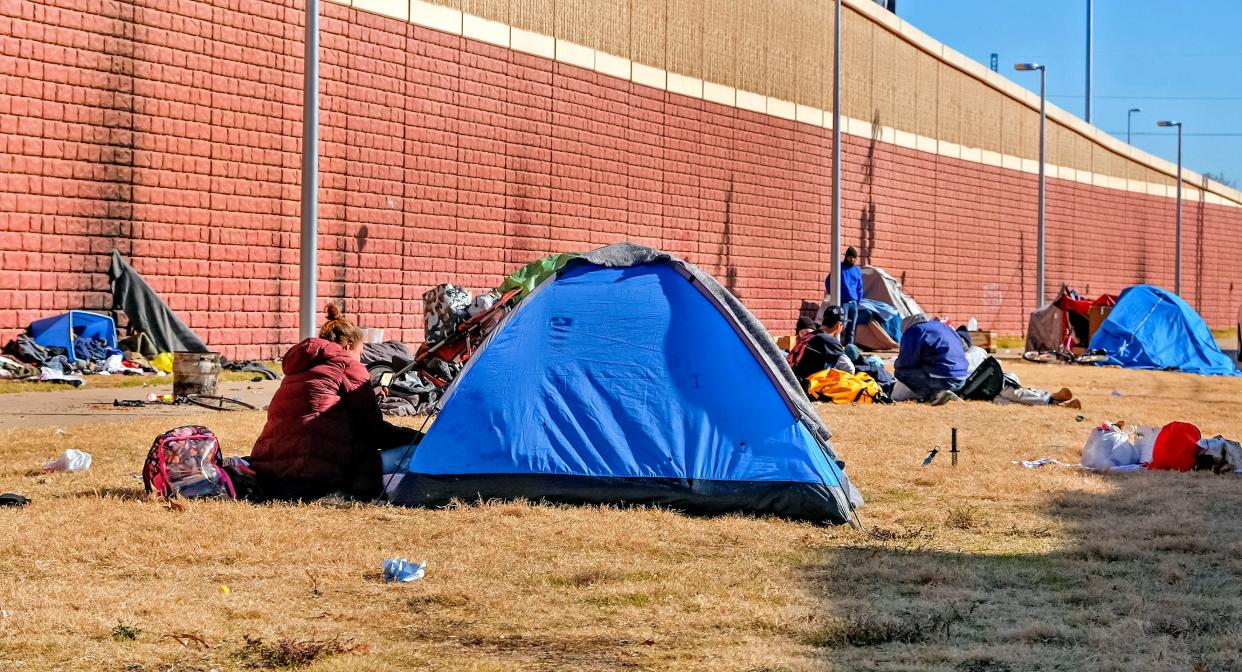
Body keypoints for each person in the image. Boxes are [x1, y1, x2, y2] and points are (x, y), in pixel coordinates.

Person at [249, 304, 422, 502]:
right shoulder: (348, 365)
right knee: (411, 453)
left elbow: (322, 407)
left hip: (271, 470)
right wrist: (419, 437)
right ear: (349, 346)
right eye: (360, 352)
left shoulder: (299, 369)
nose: (361, 360)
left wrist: (367, 395)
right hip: (316, 471)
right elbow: (375, 432)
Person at [955, 327, 1081, 409]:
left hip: (987, 390)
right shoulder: (974, 352)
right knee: (1014, 395)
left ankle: (1056, 403)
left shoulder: (972, 353)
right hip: (988, 388)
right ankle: (1052, 399)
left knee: (1012, 398)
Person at [892, 314, 968, 405]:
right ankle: (948, 392)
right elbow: (964, 347)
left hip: (941, 379)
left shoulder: (914, 330)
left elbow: (905, 363)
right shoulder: (946, 328)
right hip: (961, 379)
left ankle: (934, 394)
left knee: (901, 373)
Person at [789, 306, 854, 396]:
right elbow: (850, 369)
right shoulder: (828, 340)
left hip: (790, 381)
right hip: (804, 387)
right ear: (838, 325)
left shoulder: (808, 336)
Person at [817, 247, 865, 346]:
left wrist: (858, 301)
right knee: (841, 326)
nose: (852, 260)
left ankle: (849, 347)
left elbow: (860, 287)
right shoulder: (839, 267)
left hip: (854, 303)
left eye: (854, 258)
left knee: (852, 328)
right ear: (846, 257)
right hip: (843, 302)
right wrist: (833, 294)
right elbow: (828, 281)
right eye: (850, 257)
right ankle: (837, 345)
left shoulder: (857, 270)